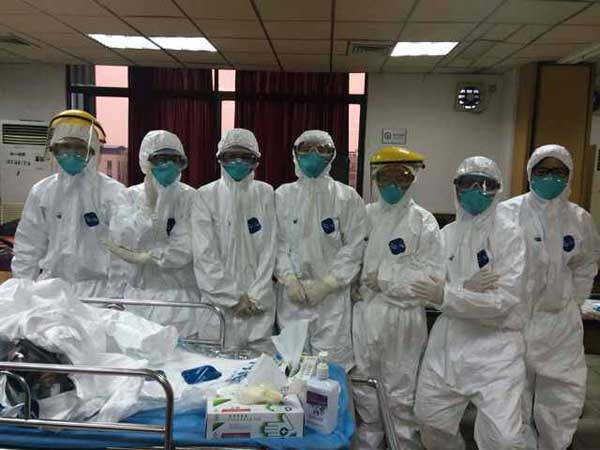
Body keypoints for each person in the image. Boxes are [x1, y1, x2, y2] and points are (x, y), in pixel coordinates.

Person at [412, 156, 527, 450]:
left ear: (497, 189)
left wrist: (449, 294)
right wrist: (464, 288)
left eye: (484, 184)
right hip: (449, 343)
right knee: (430, 421)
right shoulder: (446, 235)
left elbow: (502, 301)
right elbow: (430, 288)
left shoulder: (510, 235)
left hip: (496, 347)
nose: (476, 191)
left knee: (503, 440)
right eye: (467, 183)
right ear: (456, 188)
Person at [498, 144, 600, 450]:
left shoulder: (579, 218)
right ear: (530, 173)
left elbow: (585, 264)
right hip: (515, 318)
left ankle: (554, 445)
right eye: (543, 171)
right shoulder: (507, 212)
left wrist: (574, 301)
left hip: (560, 321)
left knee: (562, 394)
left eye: (558, 172)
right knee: (512, 394)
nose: (550, 178)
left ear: (569, 175)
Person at [352, 146, 443, 450]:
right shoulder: (365, 215)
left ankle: (402, 443)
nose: (392, 185)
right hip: (364, 313)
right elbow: (350, 255)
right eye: (384, 177)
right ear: (375, 179)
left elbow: (431, 276)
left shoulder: (423, 222)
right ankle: (370, 441)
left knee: (401, 390)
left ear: (413, 178)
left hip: (402, 319)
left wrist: (386, 279)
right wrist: (352, 281)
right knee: (364, 384)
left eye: (400, 178)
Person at [275, 130, 368, 370]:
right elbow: (276, 244)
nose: (314, 155)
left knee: (329, 369)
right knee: (291, 365)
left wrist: (328, 283)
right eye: (306, 149)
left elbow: (355, 246)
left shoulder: (347, 197)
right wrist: (288, 279)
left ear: (332, 155)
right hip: (292, 297)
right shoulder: (282, 195)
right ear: (295, 154)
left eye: (322, 149)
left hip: (332, 301)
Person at [105, 130, 209, 337]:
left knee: (182, 354)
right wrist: (148, 211)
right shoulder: (128, 196)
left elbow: (188, 247)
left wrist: (149, 256)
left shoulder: (191, 197)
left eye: (174, 159)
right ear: (146, 161)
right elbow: (121, 247)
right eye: (161, 159)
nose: (168, 165)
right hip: (137, 300)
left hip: (180, 302)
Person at [12, 109, 125, 297]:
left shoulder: (114, 193)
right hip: (51, 290)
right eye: (64, 147)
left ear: (92, 151)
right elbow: (28, 247)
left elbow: (122, 252)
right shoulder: (42, 192)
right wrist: (23, 291)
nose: (71, 154)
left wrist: (116, 297)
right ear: (53, 149)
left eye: (79, 148)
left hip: (100, 292)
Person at [192, 128, 276, 353]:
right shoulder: (205, 195)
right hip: (219, 306)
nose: (238, 162)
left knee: (258, 370)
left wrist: (255, 296)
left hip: (258, 307)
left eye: (245, 156)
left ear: (255, 160)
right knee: (216, 366)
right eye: (231, 156)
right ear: (220, 158)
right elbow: (204, 255)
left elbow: (270, 250)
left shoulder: (265, 193)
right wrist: (233, 298)